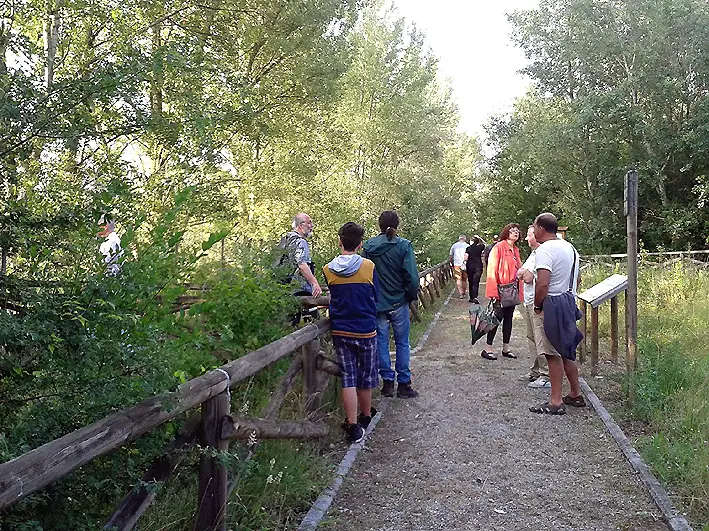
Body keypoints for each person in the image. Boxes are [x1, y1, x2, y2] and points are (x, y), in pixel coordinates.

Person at [323, 222, 379, 443]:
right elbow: (375, 296)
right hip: (365, 329)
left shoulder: (328, 270)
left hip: (341, 329)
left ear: (340, 242)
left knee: (348, 377)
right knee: (366, 376)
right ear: (361, 244)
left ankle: (352, 424)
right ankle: (365, 416)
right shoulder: (369, 267)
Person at [529, 213, 585, 415]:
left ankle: (555, 401)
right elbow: (578, 279)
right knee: (566, 349)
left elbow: (543, 282)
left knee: (552, 353)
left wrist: (538, 305)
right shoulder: (570, 248)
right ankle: (575, 393)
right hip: (569, 300)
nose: (533, 230)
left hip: (552, 304)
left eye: (534, 226)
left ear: (541, 229)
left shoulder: (544, 250)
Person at [363, 211, 419, 399]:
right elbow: (411, 276)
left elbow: (364, 275)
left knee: (381, 342)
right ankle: (404, 383)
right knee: (402, 342)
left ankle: (387, 383)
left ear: (379, 225)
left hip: (377, 303)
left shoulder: (369, 246)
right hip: (399, 302)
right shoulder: (403, 245)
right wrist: (411, 295)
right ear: (397, 224)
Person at [482, 223, 522, 360]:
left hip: (512, 289)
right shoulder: (498, 247)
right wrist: (493, 293)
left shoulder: (515, 249)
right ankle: (487, 348)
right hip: (501, 289)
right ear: (506, 233)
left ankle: (506, 348)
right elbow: (491, 270)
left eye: (517, 231)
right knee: (496, 318)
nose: (515, 233)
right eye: (512, 231)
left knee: (509, 319)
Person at [516, 225, 550, 388]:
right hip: (528, 300)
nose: (526, 239)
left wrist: (523, 273)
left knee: (541, 337)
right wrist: (522, 273)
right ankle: (535, 370)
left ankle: (546, 374)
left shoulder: (543, 252)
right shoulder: (533, 254)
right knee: (531, 337)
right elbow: (520, 273)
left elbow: (527, 276)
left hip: (538, 301)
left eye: (529, 235)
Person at [275, 213, 323, 324]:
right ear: (301, 225)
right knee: (314, 325)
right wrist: (314, 283)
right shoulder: (300, 242)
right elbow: (302, 265)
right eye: (309, 223)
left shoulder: (287, 239)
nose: (312, 226)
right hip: (300, 289)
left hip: (286, 289)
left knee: (290, 325)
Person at [463, 236, 485, 303]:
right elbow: (485, 244)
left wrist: (464, 263)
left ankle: (471, 297)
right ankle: (475, 296)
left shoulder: (468, 248)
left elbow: (466, 258)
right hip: (478, 266)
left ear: (471, 241)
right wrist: (480, 238)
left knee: (471, 281)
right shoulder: (480, 247)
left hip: (470, 266)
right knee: (476, 282)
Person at [449, 234, 469, 299]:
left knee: (458, 278)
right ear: (464, 239)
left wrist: (452, 263)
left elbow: (451, 255)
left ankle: (461, 293)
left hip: (457, 264)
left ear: (459, 239)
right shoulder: (467, 246)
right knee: (464, 279)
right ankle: (464, 292)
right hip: (465, 264)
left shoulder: (454, 245)